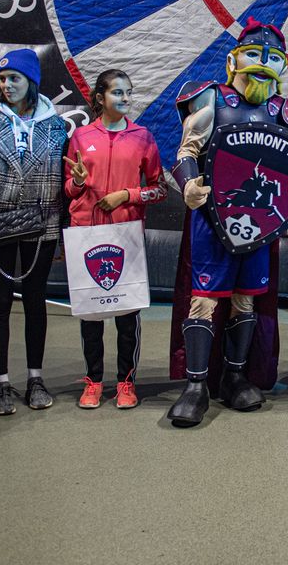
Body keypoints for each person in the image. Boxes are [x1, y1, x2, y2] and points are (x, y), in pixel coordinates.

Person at [166, 18, 288, 427]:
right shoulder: (210, 99)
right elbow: (186, 152)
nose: (263, 65)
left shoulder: (287, 113)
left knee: (245, 298)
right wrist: (189, 186)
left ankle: (234, 375)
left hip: (259, 223)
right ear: (234, 60)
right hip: (213, 219)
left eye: (273, 59)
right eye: (254, 55)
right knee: (204, 297)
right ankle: (196, 386)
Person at [0, 48, 68, 416]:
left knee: (36, 301)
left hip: (43, 224)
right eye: (2, 79)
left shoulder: (56, 126)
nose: (7, 85)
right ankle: (1, 382)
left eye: (14, 78)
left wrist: (66, 231)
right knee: (0, 302)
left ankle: (35, 377)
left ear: (31, 81)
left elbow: (67, 183)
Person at [64, 70, 166, 410]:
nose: (124, 99)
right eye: (117, 93)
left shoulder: (143, 137)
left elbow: (159, 189)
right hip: (86, 234)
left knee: (126, 315)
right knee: (91, 317)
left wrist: (127, 194)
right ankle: (93, 381)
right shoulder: (80, 137)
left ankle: (126, 382)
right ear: (100, 97)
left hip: (125, 236)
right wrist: (78, 183)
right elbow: (68, 189)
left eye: (128, 92)